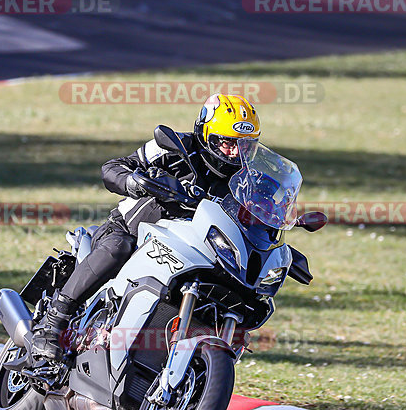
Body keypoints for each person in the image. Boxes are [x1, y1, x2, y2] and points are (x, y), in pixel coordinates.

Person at [31, 93, 261, 360]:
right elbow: (114, 167)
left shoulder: (246, 181)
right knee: (119, 247)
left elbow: (259, 216)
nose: (235, 153)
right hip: (130, 231)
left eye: (244, 146)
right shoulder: (176, 148)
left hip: (188, 250)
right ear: (206, 134)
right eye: (226, 143)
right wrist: (132, 182)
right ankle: (53, 323)